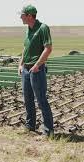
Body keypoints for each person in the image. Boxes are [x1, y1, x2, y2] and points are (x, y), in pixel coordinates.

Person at [18, 5, 54, 137]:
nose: (20, 17)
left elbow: (48, 48)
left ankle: (48, 131)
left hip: (36, 69)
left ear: (29, 15)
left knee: (41, 100)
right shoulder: (28, 29)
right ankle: (30, 126)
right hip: (26, 69)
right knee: (27, 99)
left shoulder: (43, 28)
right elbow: (25, 48)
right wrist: (20, 65)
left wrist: (37, 65)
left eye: (22, 15)